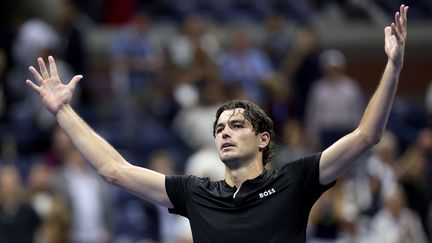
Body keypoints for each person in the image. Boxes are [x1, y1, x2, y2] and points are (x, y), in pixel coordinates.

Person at [25, 5, 409, 242]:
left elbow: (366, 136)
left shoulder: (295, 180)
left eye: (237, 125)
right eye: (220, 128)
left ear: (263, 139)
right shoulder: (196, 193)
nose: (224, 131)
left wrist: (392, 67)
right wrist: (63, 112)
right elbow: (113, 169)